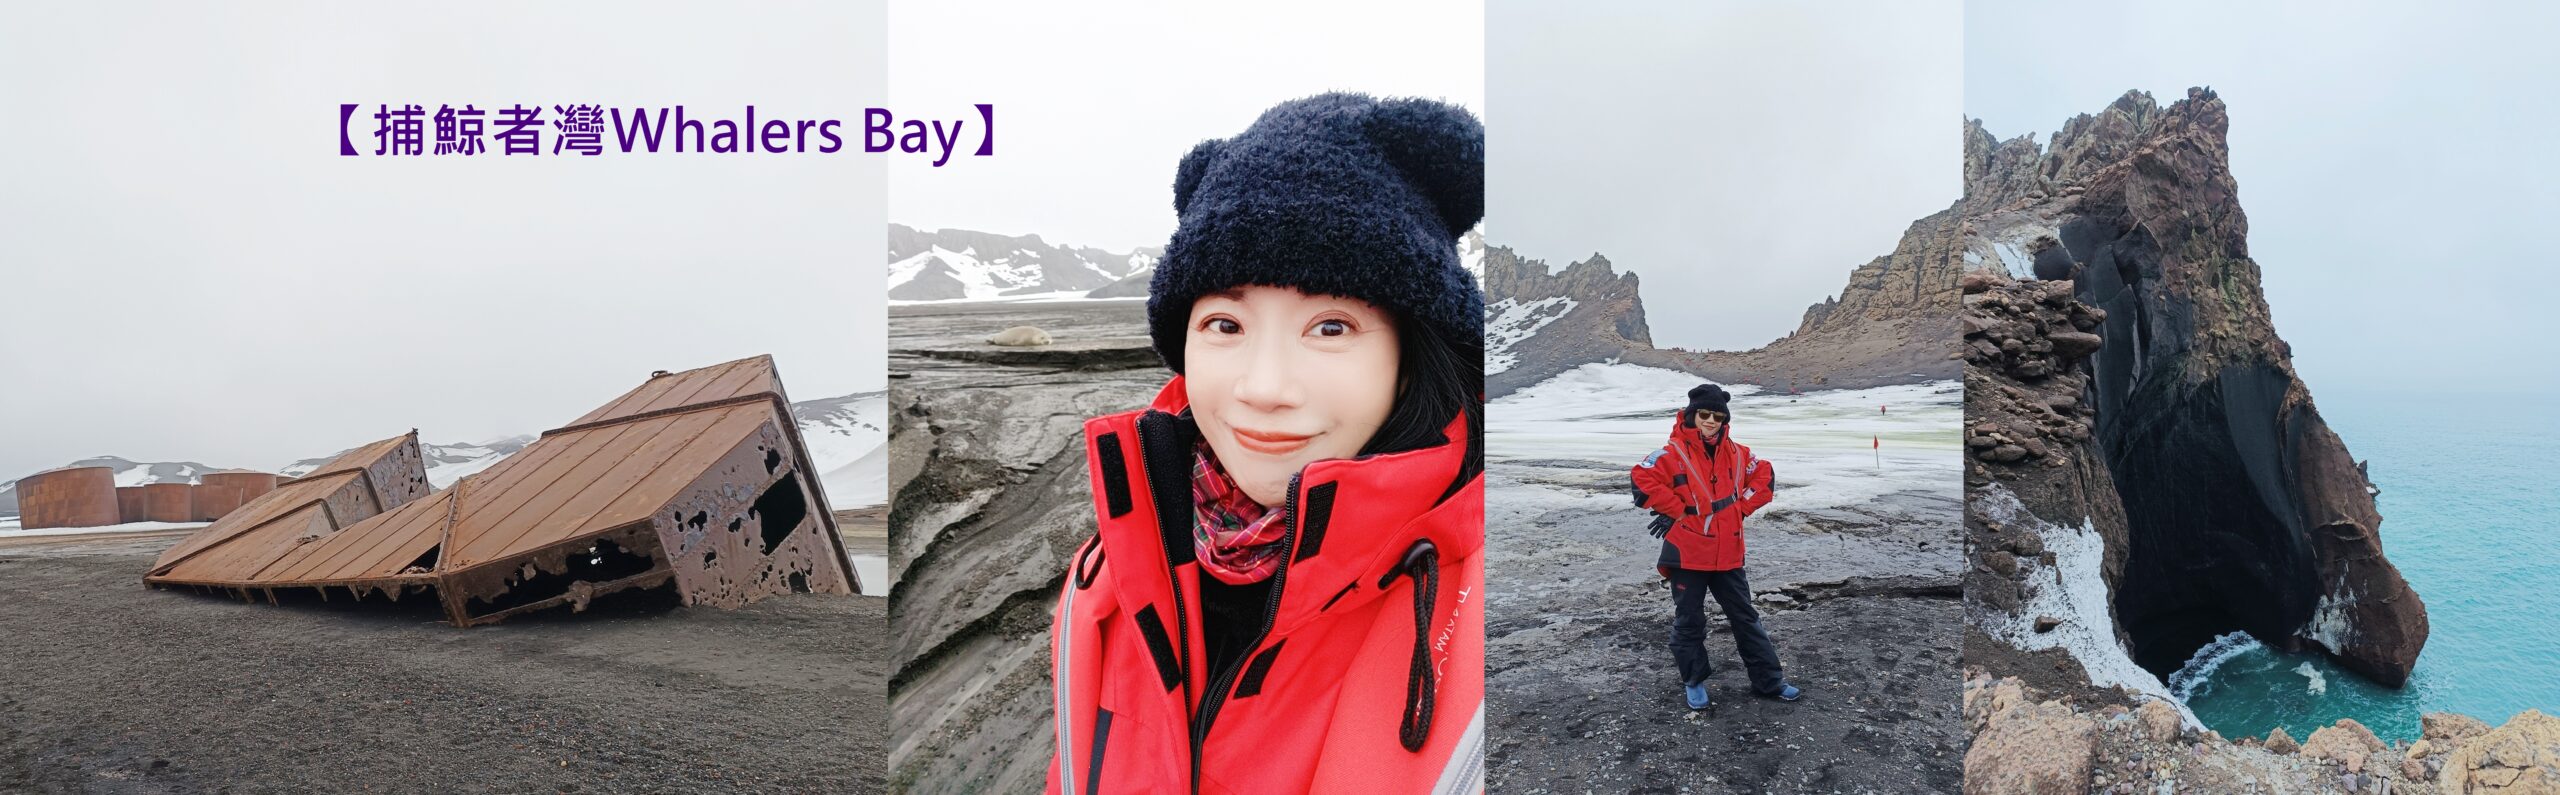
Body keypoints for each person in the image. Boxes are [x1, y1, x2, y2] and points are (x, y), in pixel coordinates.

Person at [1047, 93, 1486, 794]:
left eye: (1331, 326)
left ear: (1413, 350)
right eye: (1225, 324)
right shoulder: (1106, 581)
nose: (1265, 385)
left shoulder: (1483, 625)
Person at [1629, 383, 1801, 709]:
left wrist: (1741, 508)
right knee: (1689, 621)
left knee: (1746, 618)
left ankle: (1769, 681)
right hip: (1688, 554)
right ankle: (1694, 680)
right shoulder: (1672, 452)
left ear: (1725, 420)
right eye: (1705, 414)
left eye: (1718, 416)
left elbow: (1765, 476)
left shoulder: (1738, 454)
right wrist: (1676, 509)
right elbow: (1641, 479)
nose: (1711, 421)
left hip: (1728, 554)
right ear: (1693, 415)